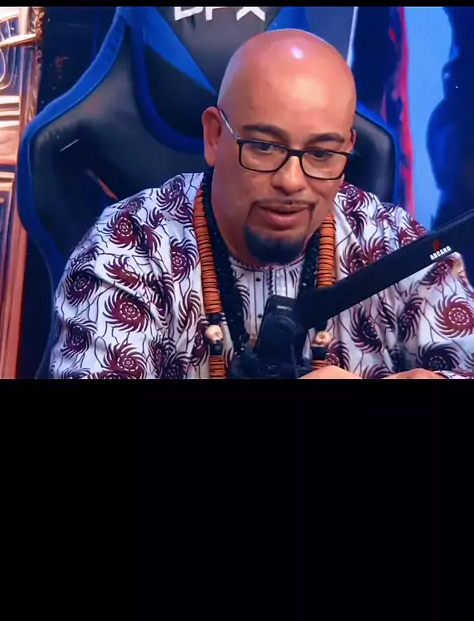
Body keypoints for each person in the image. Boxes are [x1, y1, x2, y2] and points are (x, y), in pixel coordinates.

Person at [50, 29, 474, 379]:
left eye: (321, 153)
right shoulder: (128, 249)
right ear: (215, 136)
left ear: (348, 152)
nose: (291, 181)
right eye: (264, 147)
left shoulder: (395, 247)